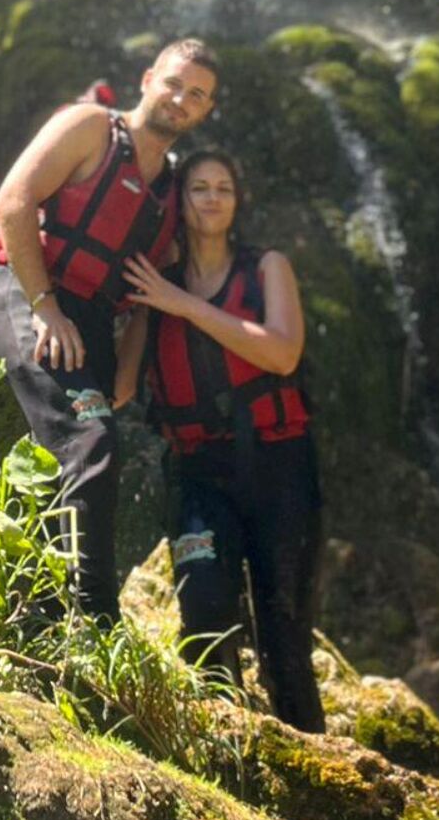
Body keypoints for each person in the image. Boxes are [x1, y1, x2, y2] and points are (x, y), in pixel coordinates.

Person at [0, 39, 221, 621]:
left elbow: (143, 296)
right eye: (173, 82)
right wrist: (44, 306)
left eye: (196, 95)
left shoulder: (171, 191)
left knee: (78, 453)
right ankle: (94, 619)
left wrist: (126, 369)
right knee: (91, 442)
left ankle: (35, 614)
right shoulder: (91, 127)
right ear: (147, 79)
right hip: (28, 292)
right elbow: (12, 201)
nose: (180, 99)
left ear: (205, 111)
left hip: (88, 323)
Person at [116, 151, 326, 733]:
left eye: (223, 189)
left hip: (280, 467)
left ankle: (310, 777)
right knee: (206, 617)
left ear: (238, 202)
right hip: (197, 473)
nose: (211, 199)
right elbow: (122, 387)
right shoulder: (154, 283)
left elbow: (283, 351)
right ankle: (227, 765)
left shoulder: (267, 267)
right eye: (199, 188)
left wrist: (183, 304)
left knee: (285, 637)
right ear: (178, 202)